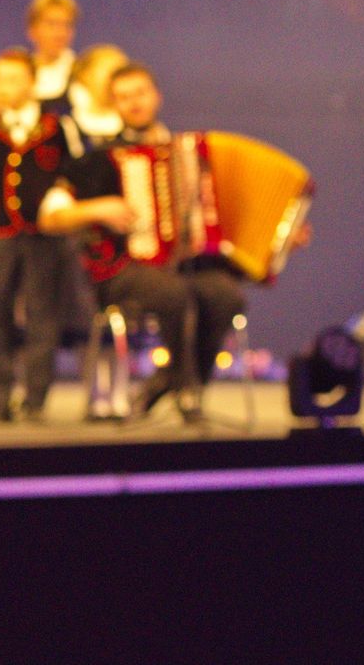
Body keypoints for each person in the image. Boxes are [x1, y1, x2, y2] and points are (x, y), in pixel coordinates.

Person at [46, 62, 263, 419]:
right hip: (122, 269)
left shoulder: (190, 153)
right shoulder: (100, 159)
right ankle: (186, 389)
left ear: (156, 96)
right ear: (114, 104)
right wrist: (97, 208)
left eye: (141, 93)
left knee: (226, 295)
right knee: (172, 294)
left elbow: (228, 209)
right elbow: (51, 215)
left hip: (184, 267)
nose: (135, 103)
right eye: (124, 97)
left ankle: (173, 381)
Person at [0, 48, 88, 420]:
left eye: (17, 79)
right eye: (2, 80)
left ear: (33, 82)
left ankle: (35, 397)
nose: (9, 87)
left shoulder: (56, 127)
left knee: (42, 314)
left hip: (42, 235)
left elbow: (72, 170)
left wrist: (59, 198)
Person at [25, 0, 87, 120]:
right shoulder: (20, 72)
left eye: (67, 25)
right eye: (51, 24)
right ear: (32, 29)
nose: (60, 33)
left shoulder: (82, 73)